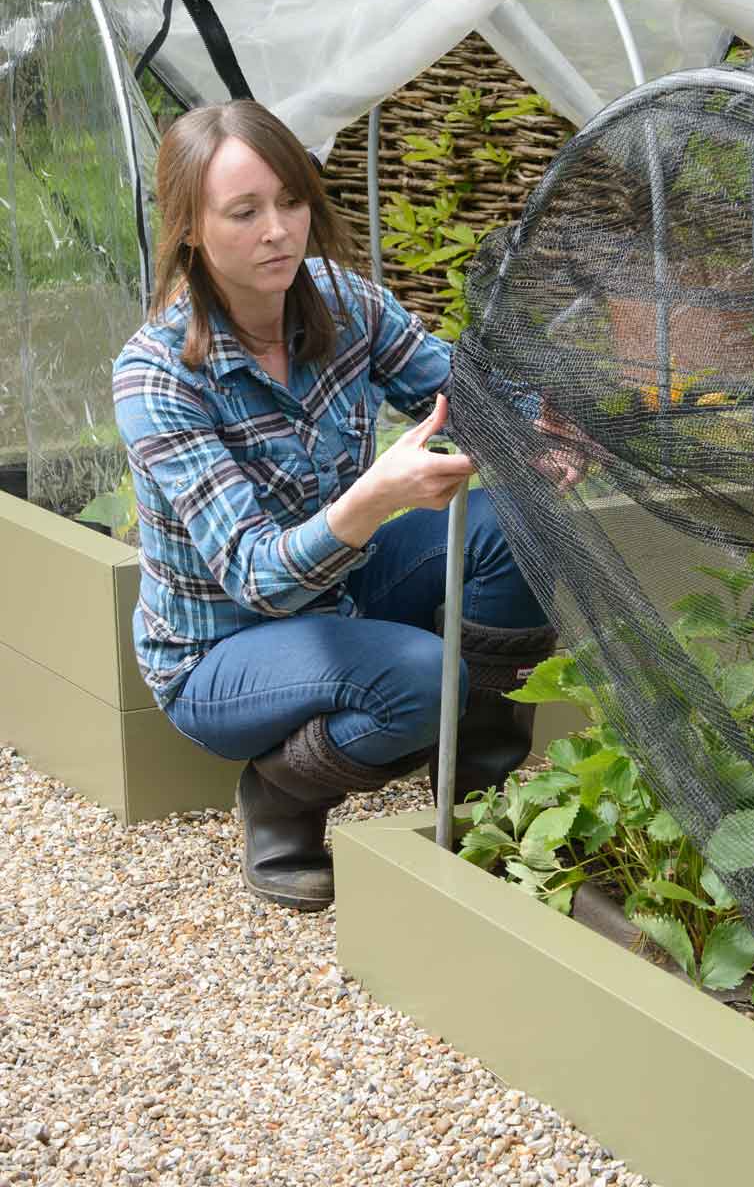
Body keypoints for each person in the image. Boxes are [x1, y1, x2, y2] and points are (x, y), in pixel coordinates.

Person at [114, 98, 584, 913]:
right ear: (190, 227)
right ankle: (282, 800)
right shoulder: (158, 378)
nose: (278, 232)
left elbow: (457, 394)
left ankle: (476, 792)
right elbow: (257, 580)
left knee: (518, 525)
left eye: (291, 202)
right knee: (419, 677)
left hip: (341, 589)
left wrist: (546, 423)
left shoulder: (340, 299)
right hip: (221, 652)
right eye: (245, 212)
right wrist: (373, 499)